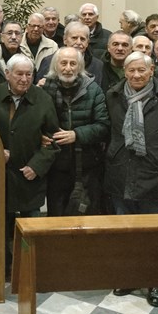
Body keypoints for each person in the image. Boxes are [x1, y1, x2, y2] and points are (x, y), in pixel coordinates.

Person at [104, 51, 158, 308]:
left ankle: (154, 283)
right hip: (121, 173)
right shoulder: (113, 96)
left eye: (142, 70)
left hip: (154, 175)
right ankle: (129, 278)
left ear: (152, 71)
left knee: (153, 235)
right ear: (125, 72)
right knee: (125, 233)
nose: (136, 75)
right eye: (131, 70)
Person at [0, 54, 59, 274]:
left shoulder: (43, 99)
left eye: (28, 74)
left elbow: (53, 139)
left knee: (29, 230)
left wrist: (37, 166)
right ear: (7, 75)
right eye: (19, 74)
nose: (24, 79)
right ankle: (1, 270)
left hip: (28, 179)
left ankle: (27, 269)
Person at [42, 47, 110, 216]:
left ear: (80, 67)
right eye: (63, 63)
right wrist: (40, 137)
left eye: (73, 63)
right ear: (55, 66)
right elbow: (37, 124)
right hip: (56, 165)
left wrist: (76, 134)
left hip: (87, 166)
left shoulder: (93, 90)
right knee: (56, 217)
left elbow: (103, 126)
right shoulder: (44, 90)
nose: (68, 68)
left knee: (86, 214)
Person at [21, 12, 58, 79]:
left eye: (39, 26)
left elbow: (55, 69)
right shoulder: (18, 43)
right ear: (27, 27)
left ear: (43, 28)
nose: (36, 29)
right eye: (33, 26)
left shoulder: (52, 46)